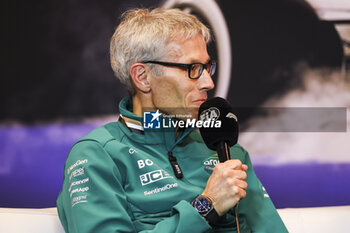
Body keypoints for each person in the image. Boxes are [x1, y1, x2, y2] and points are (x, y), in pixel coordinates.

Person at [57, 8, 288, 233]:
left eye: (207, 67)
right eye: (193, 68)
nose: (208, 82)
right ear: (143, 77)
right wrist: (206, 206)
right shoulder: (97, 155)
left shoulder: (227, 151)